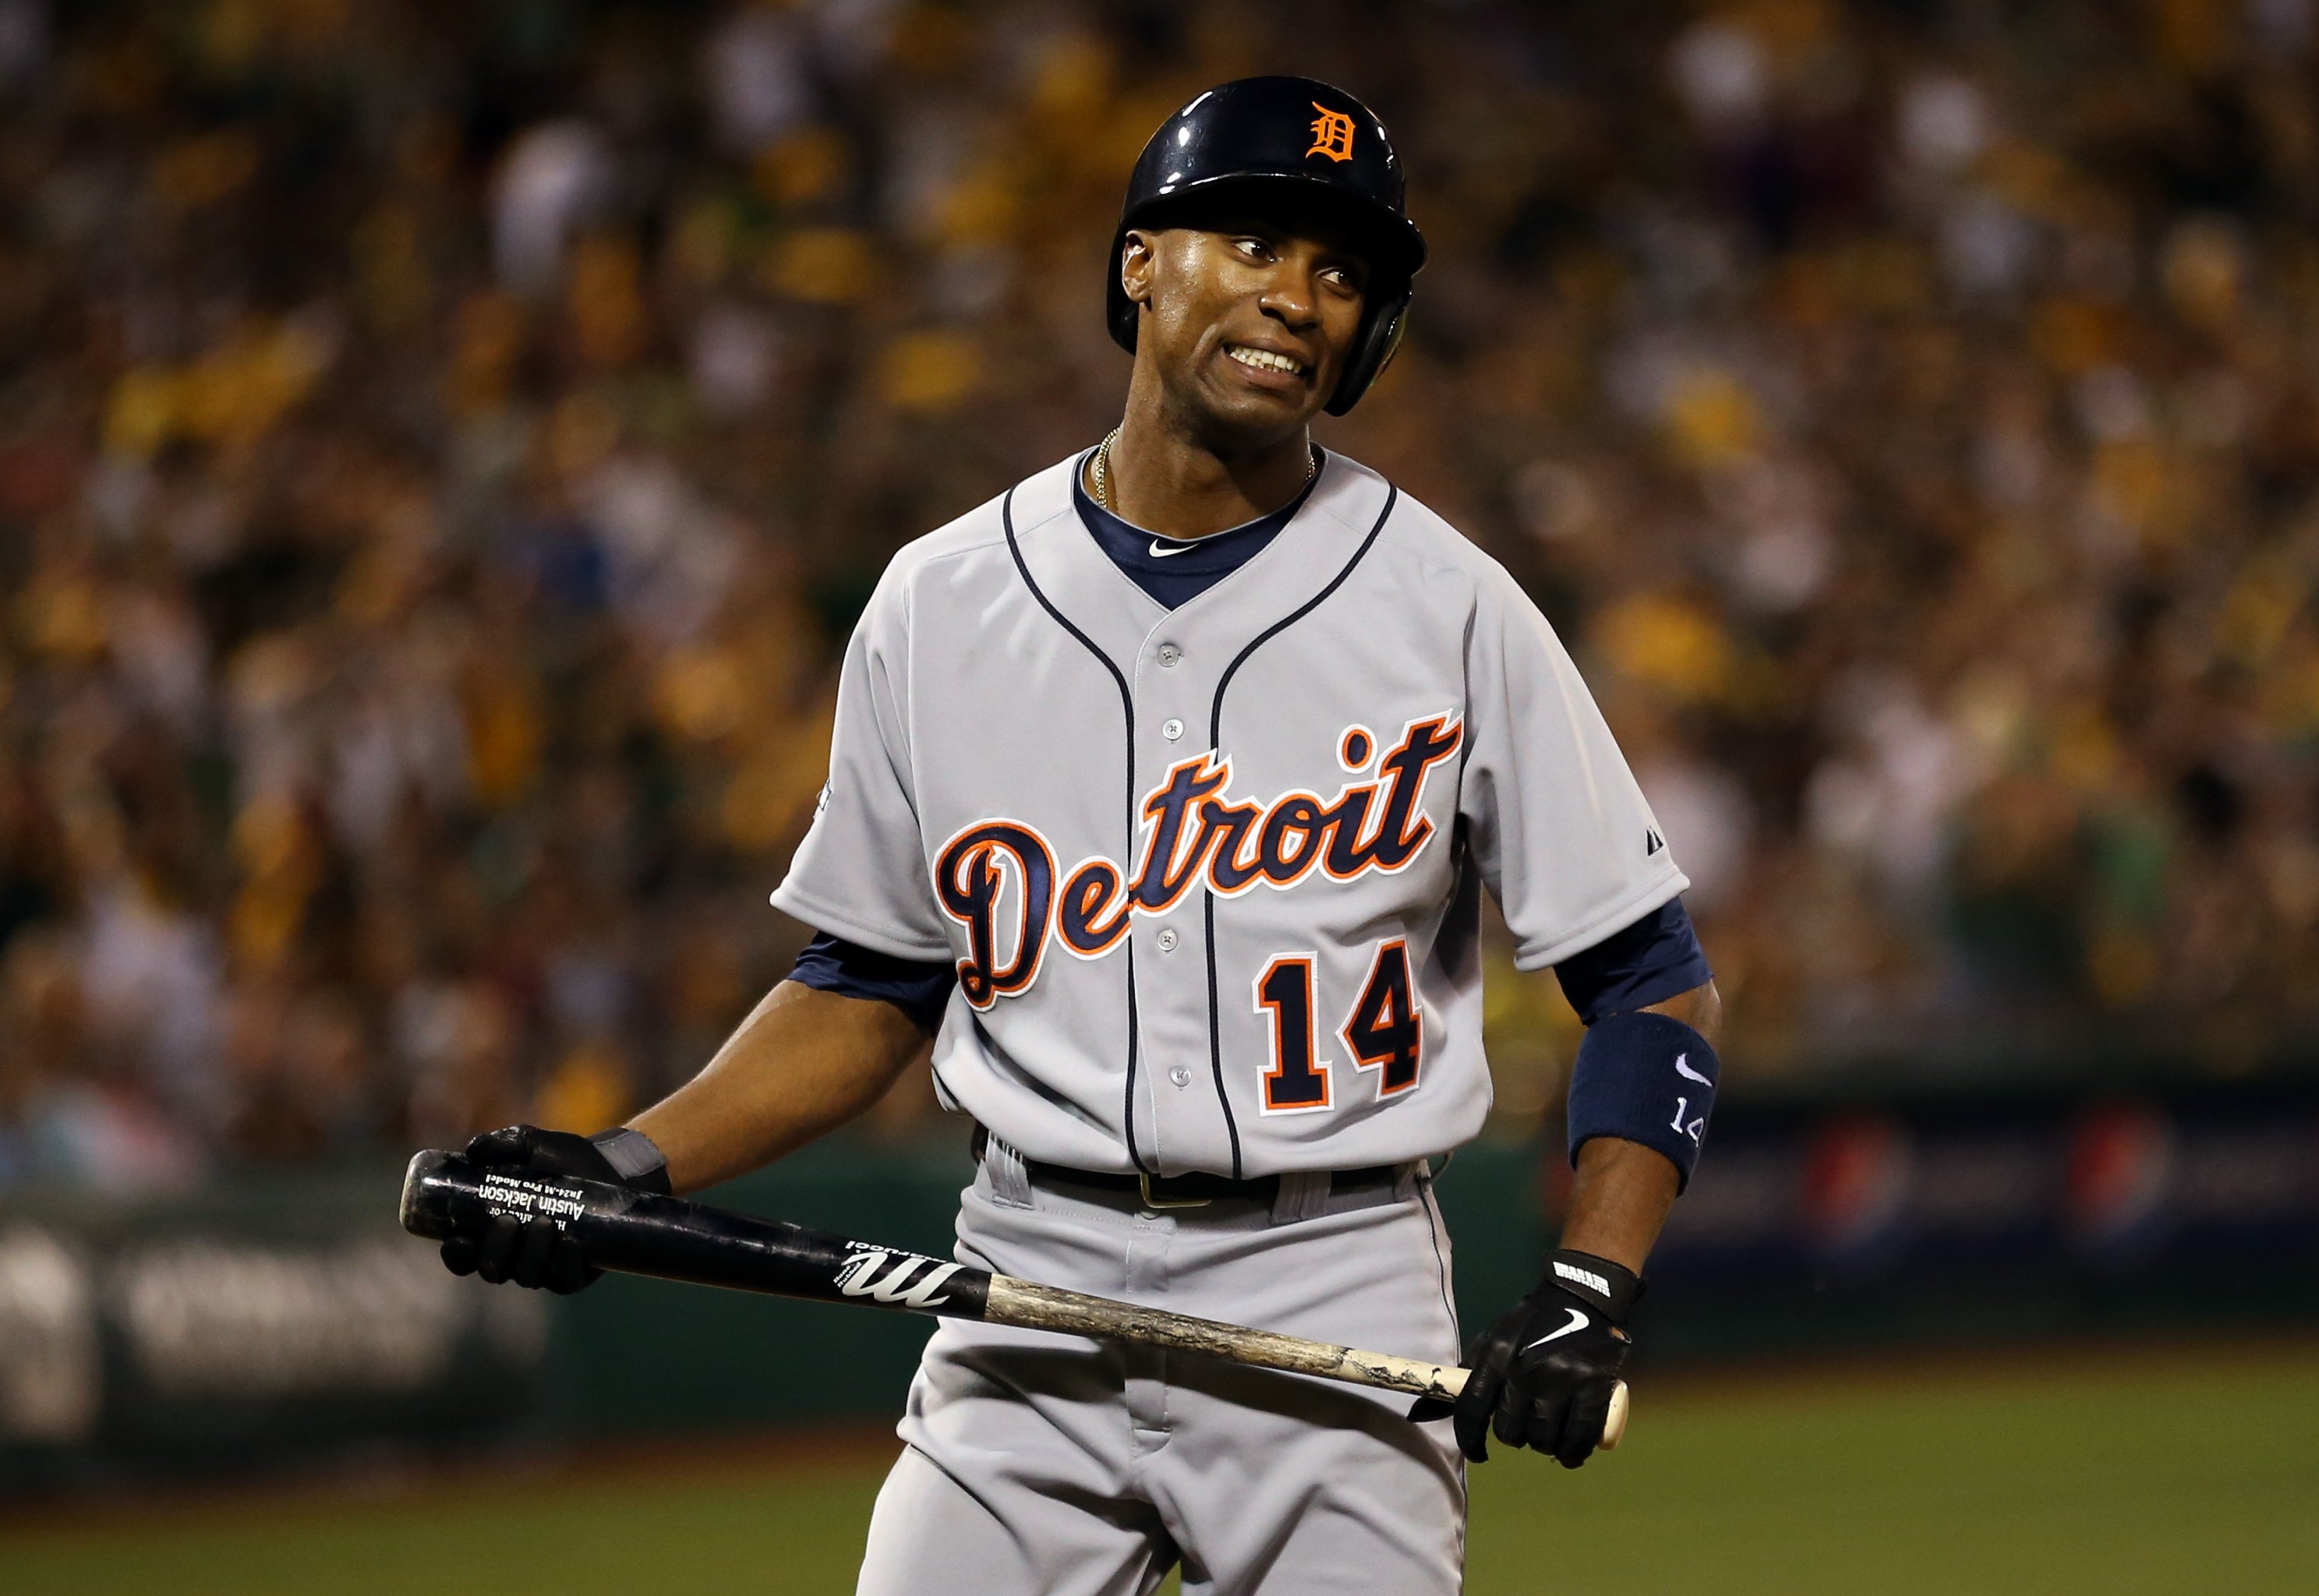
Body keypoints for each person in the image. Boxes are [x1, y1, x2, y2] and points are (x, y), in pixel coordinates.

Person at [437, 76, 1722, 1595]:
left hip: (1339, 1283)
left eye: (1338, 271)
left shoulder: (1448, 605)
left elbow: (1649, 978)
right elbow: (869, 984)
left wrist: (1592, 1278)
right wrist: (632, 1162)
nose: (1296, 298)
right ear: (1139, 264)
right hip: (1024, 1280)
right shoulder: (938, 600)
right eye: (1253, 241)